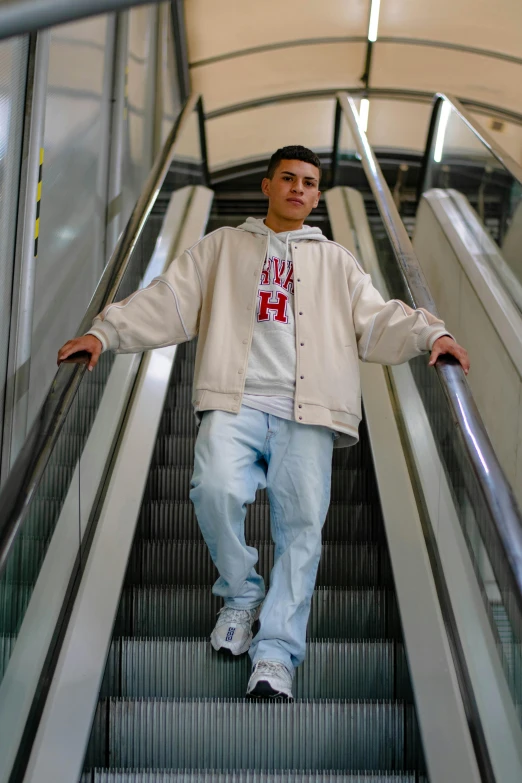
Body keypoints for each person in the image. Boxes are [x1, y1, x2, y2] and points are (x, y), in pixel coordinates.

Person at [58, 145, 470, 701]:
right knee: (214, 490)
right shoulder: (223, 247)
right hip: (235, 399)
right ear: (267, 186)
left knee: (302, 531)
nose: (298, 188)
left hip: (310, 410)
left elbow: (377, 319)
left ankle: (276, 654)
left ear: (317, 195)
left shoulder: (336, 261)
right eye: (288, 179)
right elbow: (170, 300)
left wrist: (432, 334)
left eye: (308, 182)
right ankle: (242, 593)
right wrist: (104, 333)